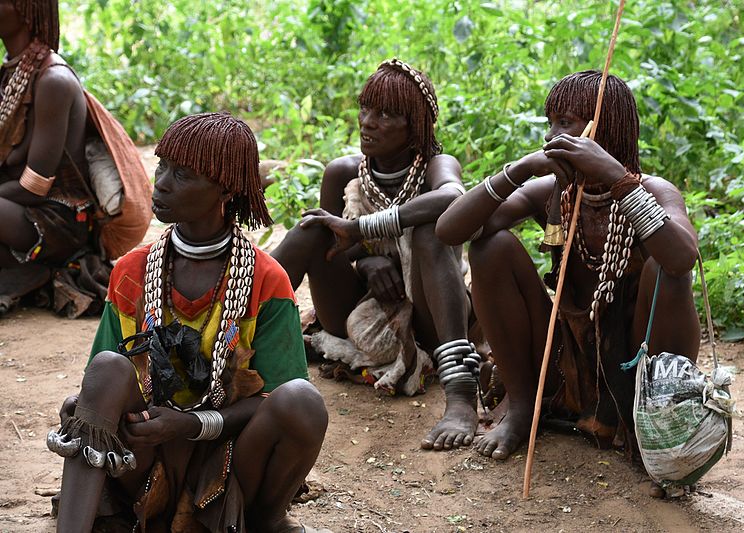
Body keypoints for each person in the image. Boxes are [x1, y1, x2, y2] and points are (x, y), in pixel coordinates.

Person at [47, 112, 329, 532]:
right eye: (162, 166)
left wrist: (192, 424)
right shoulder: (132, 271)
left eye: (182, 175)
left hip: (230, 463)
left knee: (303, 401)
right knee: (107, 370)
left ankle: (264, 520)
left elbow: (273, 398)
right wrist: (87, 408)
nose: (160, 182)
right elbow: (106, 375)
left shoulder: (266, 280)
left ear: (225, 189)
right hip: (140, 460)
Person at [436, 71, 701, 469]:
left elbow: (682, 259)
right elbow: (449, 230)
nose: (551, 135)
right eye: (550, 123)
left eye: (565, 123)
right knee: (491, 247)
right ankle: (527, 408)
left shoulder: (654, 190)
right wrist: (520, 169)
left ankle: (653, 422)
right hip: (568, 356)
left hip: (635, 357)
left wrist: (614, 175)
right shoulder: (554, 192)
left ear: (602, 129)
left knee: (664, 271)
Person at [271, 59, 480, 452]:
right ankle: (232, 338)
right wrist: (366, 260)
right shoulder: (343, 173)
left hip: (431, 317)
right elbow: (338, 245)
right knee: (313, 230)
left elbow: (453, 197)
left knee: (429, 232)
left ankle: (460, 396)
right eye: (365, 109)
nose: (368, 122)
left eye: (386, 115)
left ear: (415, 126)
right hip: (362, 312)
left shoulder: (437, 166)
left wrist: (364, 229)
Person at [0, 0, 150, 318]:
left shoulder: (53, 81)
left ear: (28, 12)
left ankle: (38, 268)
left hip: (57, 219)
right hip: (18, 206)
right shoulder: (13, 71)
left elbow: (35, 187)